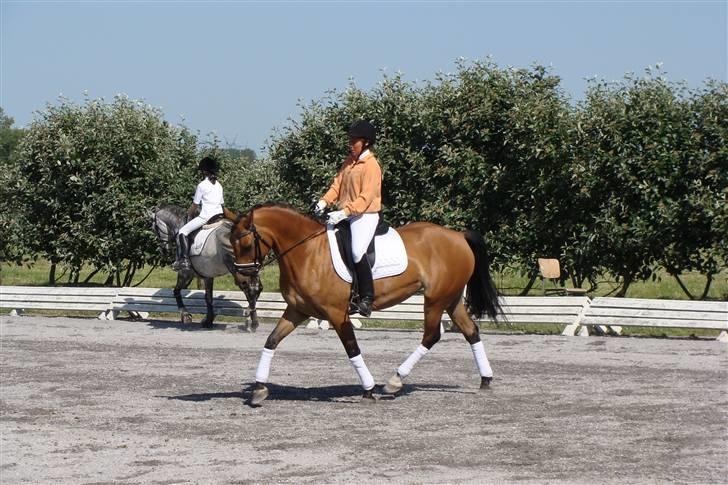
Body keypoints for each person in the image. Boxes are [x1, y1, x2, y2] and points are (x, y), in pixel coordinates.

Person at [314, 120, 382, 317]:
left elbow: (366, 197)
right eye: (350, 140)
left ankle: (367, 298)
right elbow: (337, 185)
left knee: (356, 251)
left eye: (354, 141)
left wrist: (344, 212)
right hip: (346, 214)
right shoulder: (349, 162)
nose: (350, 144)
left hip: (365, 215)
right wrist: (324, 202)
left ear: (366, 143)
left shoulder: (371, 166)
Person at [172, 156, 224, 271]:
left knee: (182, 231)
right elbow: (221, 203)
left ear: (204, 171)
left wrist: (188, 214)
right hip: (220, 215)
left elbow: (195, 205)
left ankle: (184, 260)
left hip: (206, 216)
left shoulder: (202, 185)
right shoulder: (219, 185)